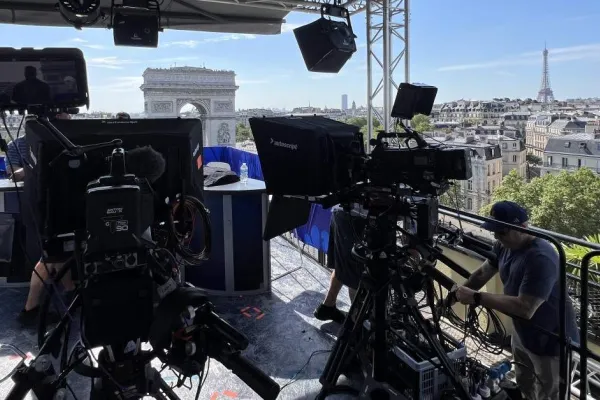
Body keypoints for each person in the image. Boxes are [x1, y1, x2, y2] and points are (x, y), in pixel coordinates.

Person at [454, 200, 579, 400]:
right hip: (523, 335)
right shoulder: (504, 245)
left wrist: (477, 298)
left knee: (549, 396)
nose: (496, 236)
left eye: (501, 232)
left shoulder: (541, 257)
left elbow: (525, 308)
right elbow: (482, 274)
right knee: (525, 386)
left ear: (522, 228)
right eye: (494, 231)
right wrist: (451, 299)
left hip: (551, 343)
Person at [313, 207, 366, 324]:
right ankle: (357, 323)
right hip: (357, 215)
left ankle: (328, 306)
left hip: (342, 212)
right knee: (355, 273)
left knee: (342, 264)